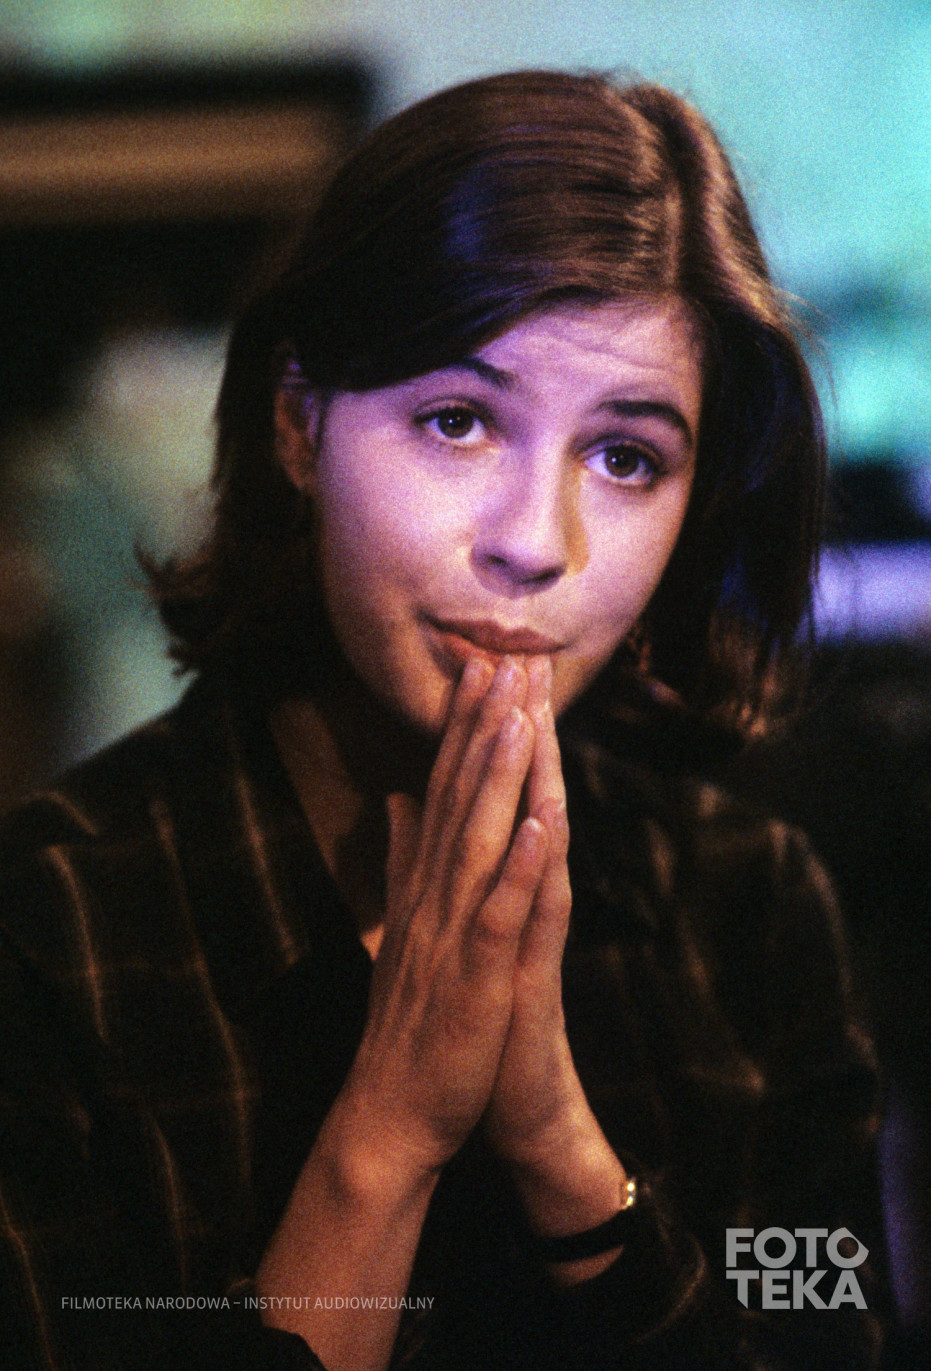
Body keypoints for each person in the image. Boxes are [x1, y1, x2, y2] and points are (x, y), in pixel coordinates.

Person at [0, 70, 885, 1370]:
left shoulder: (747, 909)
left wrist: (557, 1146)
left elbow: (825, 1332)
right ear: (299, 424)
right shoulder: (50, 933)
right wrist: (391, 1128)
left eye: (625, 457)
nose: (535, 542)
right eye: (458, 421)